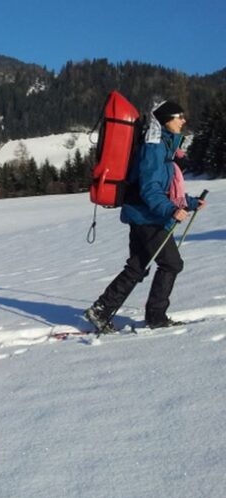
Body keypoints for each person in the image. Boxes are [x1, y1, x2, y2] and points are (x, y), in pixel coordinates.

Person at [85, 100, 206, 331]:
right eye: (178, 116)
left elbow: (166, 187)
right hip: (148, 216)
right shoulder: (154, 147)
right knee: (171, 264)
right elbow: (150, 189)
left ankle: (101, 309)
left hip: (142, 214)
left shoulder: (165, 146)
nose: (183, 120)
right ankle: (156, 317)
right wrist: (171, 210)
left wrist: (190, 203)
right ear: (166, 120)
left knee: (138, 266)